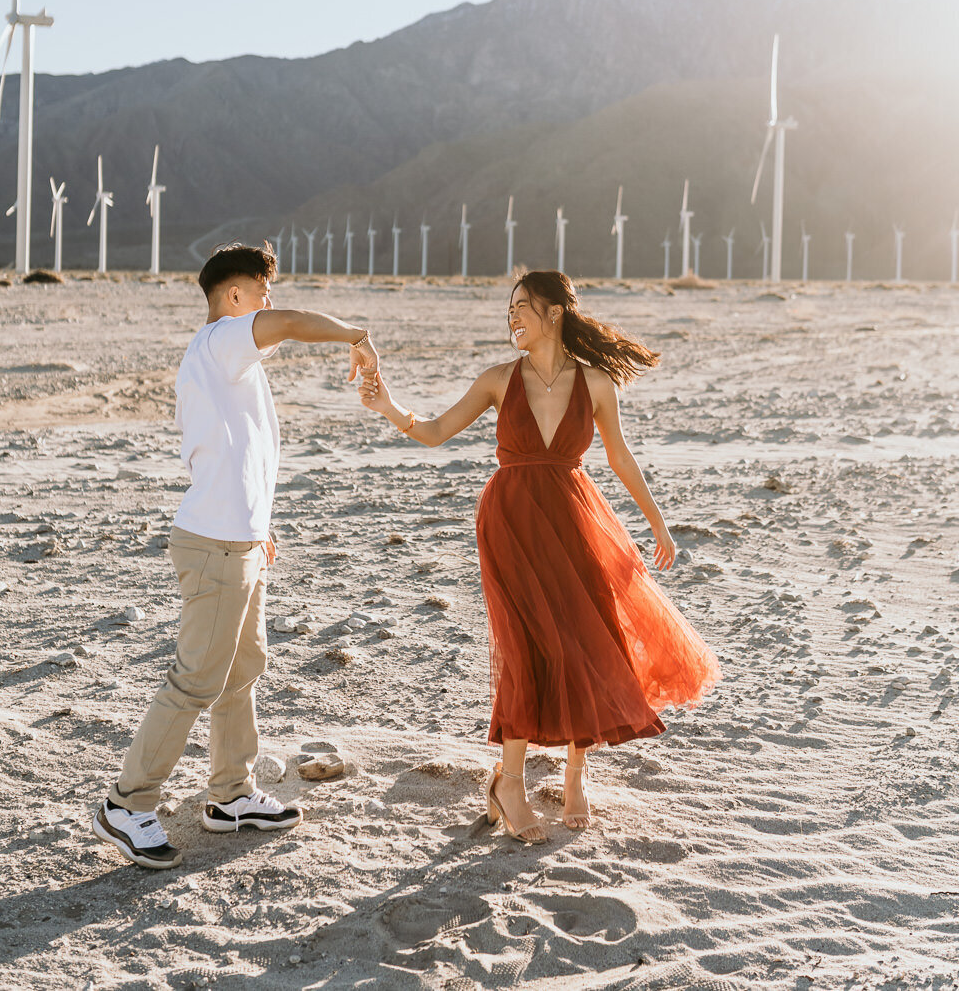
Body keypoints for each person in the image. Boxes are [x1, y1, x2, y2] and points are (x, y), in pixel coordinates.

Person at [359, 270, 719, 841]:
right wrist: (388, 407)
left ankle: (577, 777)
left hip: (576, 517)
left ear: (554, 313)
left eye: (522, 306)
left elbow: (621, 459)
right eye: (508, 309)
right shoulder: (498, 380)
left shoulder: (597, 383)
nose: (512, 317)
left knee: (583, 638)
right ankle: (511, 783)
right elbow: (434, 431)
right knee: (525, 647)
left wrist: (658, 523)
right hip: (512, 521)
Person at [93, 241, 378, 869]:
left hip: (242, 540)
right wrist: (356, 334)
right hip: (214, 543)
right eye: (261, 289)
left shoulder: (232, 365)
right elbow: (292, 324)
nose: (269, 302)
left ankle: (229, 796)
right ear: (233, 297)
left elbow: (246, 459)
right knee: (196, 678)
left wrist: (261, 528)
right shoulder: (222, 340)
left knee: (243, 666)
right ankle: (127, 802)